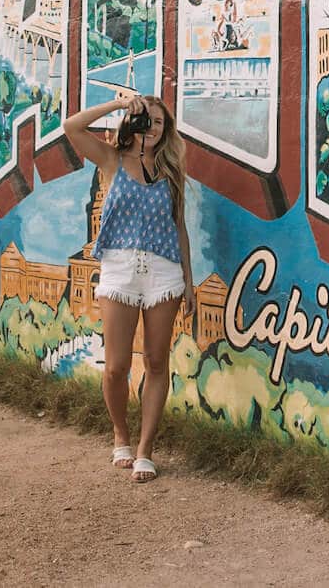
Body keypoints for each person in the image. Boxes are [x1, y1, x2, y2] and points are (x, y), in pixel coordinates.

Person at [64, 92, 195, 482]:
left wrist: (188, 279)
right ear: (131, 123)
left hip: (163, 272)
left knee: (157, 361)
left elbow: (180, 226)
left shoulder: (171, 170)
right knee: (117, 366)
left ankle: (145, 449)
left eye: (157, 122)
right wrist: (118, 106)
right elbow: (72, 126)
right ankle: (120, 434)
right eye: (144, 119)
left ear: (165, 129)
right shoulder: (111, 160)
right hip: (120, 269)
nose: (151, 128)